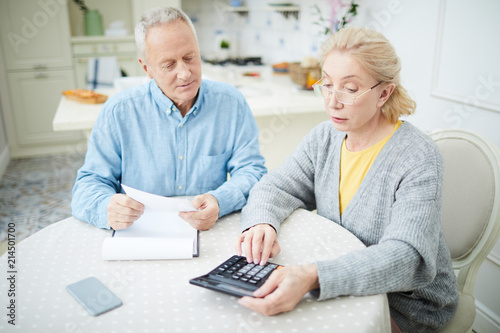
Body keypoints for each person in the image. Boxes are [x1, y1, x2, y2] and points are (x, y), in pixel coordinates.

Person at [235, 27, 458, 332]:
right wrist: (262, 221)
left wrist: (314, 276)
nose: (332, 102)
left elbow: (406, 257)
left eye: (349, 89)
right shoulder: (324, 138)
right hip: (340, 278)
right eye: (326, 84)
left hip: (406, 303)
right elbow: (274, 186)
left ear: (384, 93)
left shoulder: (417, 156)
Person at [71, 7, 266, 231]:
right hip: (139, 233)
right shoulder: (118, 112)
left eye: (189, 57)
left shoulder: (231, 103)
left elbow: (253, 171)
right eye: (169, 65)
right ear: (147, 68)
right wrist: (106, 207)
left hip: (211, 230)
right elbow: (87, 186)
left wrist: (220, 200)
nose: (184, 73)